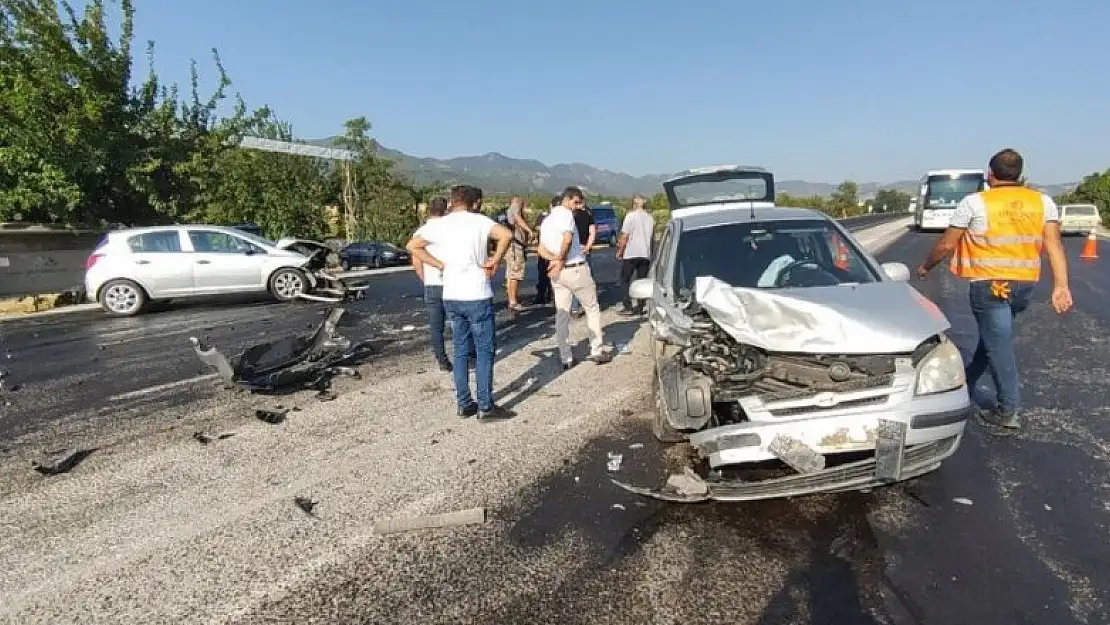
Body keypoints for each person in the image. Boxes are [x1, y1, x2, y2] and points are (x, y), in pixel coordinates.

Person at [915, 148, 1073, 430]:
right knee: (993, 338)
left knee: (998, 345)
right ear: (1021, 175)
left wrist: (926, 266)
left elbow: (947, 244)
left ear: (990, 175)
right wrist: (1061, 285)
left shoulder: (975, 203)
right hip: (1024, 286)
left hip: (991, 286)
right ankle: (966, 381)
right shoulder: (1042, 202)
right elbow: (1054, 246)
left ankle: (1008, 410)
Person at [406, 185, 516, 420]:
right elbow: (506, 235)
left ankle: (464, 403)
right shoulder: (479, 221)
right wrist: (495, 260)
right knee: (485, 351)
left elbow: (412, 246)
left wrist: (439, 265)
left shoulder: (439, 225)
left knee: (460, 350)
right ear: (475, 203)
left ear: (452, 202)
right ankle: (486, 406)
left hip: (451, 295)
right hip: (476, 294)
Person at [537, 186, 611, 370]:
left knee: (562, 314)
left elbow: (540, 249)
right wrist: (561, 258)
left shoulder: (547, 220)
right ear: (568, 199)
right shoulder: (566, 215)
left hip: (557, 273)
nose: (579, 206)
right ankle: (597, 350)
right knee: (592, 308)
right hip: (575, 268)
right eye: (576, 202)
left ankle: (566, 357)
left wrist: (553, 260)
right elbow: (568, 239)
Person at [411, 197, 452, 371]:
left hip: (432, 284)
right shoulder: (452, 229)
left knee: (436, 327)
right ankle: (467, 356)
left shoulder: (421, 232)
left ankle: (442, 361)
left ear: (429, 210)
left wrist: (426, 279)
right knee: (460, 323)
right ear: (446, 210)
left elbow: (417, 262)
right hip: (453, 283)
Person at [615, 194, 655, 315]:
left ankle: (628, 306)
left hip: (631, 252)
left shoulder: (630, 216)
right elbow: (652, 239)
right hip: (645, 253)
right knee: (641, 280)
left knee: (625, 280)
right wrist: (651, 253)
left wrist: (620, 251)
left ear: (634, 204)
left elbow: (625, 236)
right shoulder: (650, 218)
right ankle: (640, 306)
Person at [503, 196, 535, 312]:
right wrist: (529, 230)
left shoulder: (509, 210)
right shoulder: (515, 207)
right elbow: (518, 219)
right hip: (515, 246)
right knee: (516, 274)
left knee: (511, 274)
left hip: (512, 246)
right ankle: (513, 302)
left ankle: (512, 300)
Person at [569, 199, 597, 317]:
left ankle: (574, 307)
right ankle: (588, 305)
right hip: (585, 248)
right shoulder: (588, 215)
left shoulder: (570, 216)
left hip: (573, 248)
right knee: (587, 277)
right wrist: (588, 246)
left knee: (573, 279)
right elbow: (592, 232)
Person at [531, 196, 558, 306]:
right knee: (542, 273)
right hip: (544, 249)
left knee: (555, 274)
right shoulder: (543, 217)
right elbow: (536, 227)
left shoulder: (560, 218)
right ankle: (541, 295)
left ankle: (553, 296)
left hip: (554, 249)